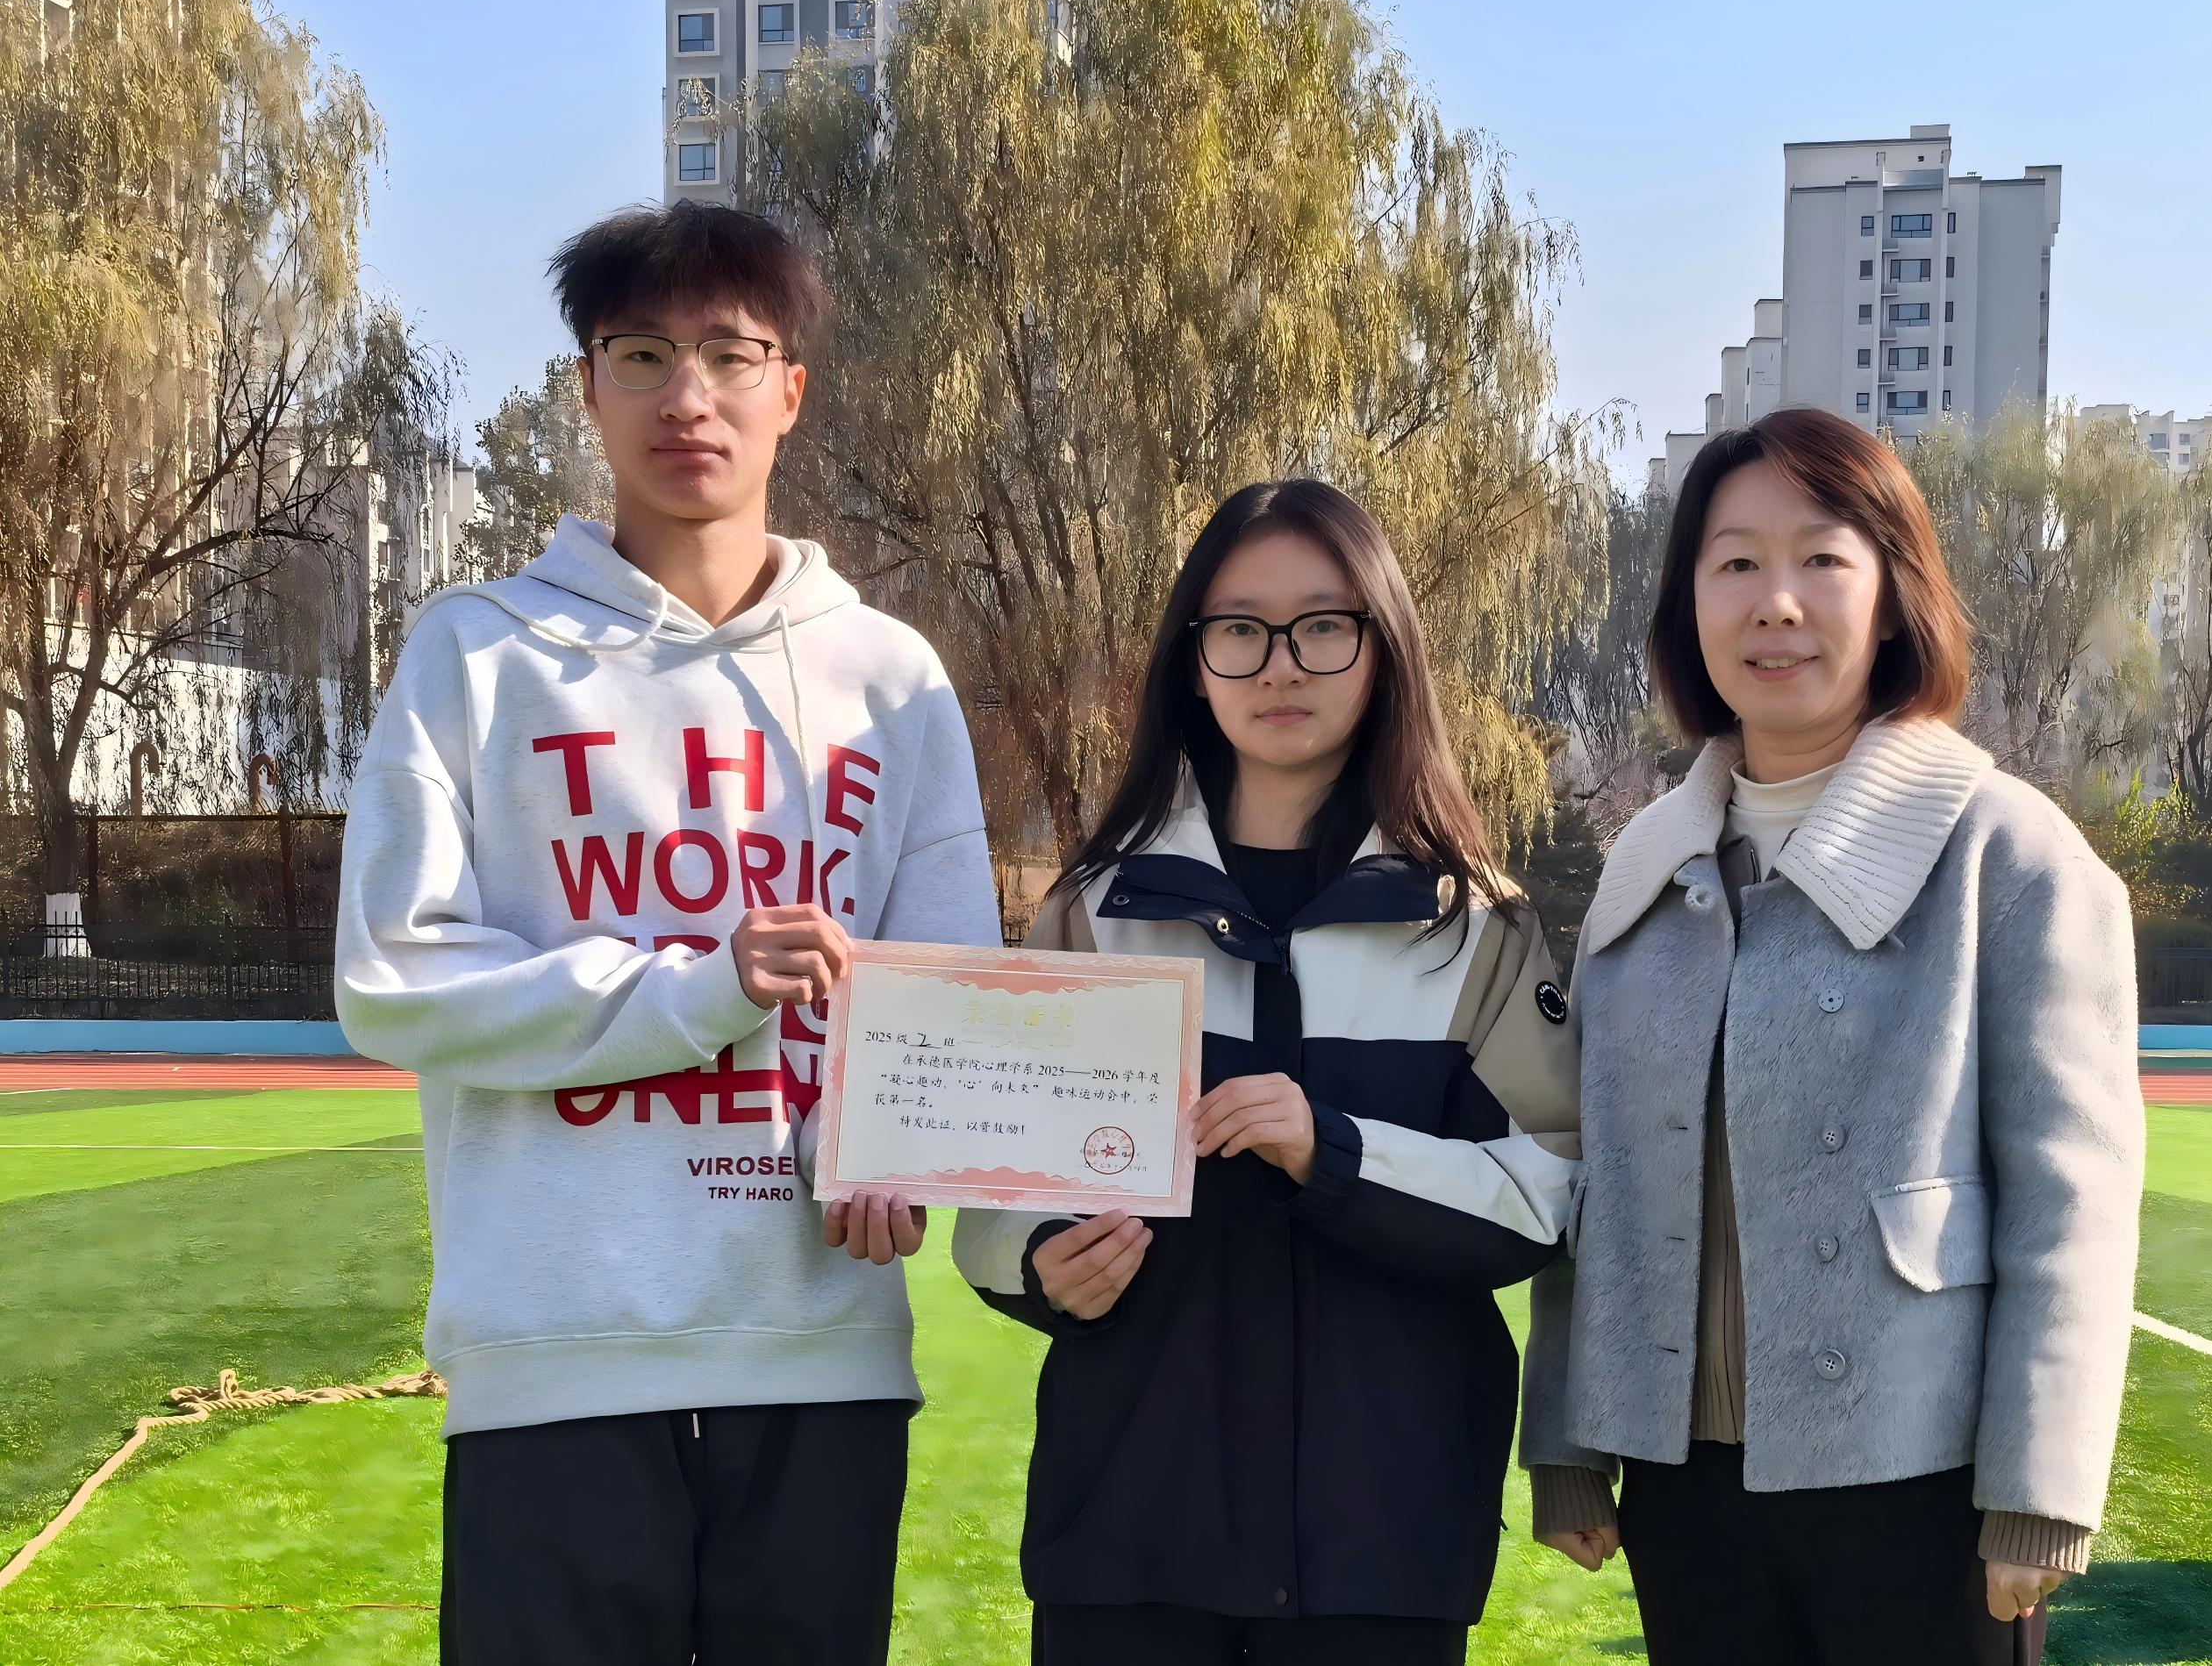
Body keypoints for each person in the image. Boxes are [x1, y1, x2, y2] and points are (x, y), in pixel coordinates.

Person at [335, 201, 998, 1665]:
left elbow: (940, 997)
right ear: (589, 387)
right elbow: (393, 976)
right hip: (553, 1360)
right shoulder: (479, 654)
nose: (687, 396)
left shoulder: (893, 677)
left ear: (790, 391)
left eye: (730, 354)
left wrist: (892, 1151)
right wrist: (697, 990)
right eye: (641, 354)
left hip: (821, 1357)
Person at [1521, 406, 2144, 1664]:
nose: (1777, 602)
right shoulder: (1647, 865)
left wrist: (2041, 1488)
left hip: (1923, 1475)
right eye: (1735, 562)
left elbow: (2070, 1200)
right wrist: (1571, 1443)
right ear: (1689, 603)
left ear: (1895, 595)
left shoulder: (2008, 853)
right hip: (1687, 1487)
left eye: (1822, 558)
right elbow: (1599, 1176)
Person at [954, 479, 1582, 1666]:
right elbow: (991, 1195)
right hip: (1129, 1533)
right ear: (1193, 663)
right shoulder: (1097, 912)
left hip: (1382, 1545)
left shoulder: (1475, 929)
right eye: (1240, 629)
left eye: (1323, 626)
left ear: (1383, 652)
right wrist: (1038, 1262)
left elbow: (1553, 1192)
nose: (1280, 665)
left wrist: (1332, 1149)